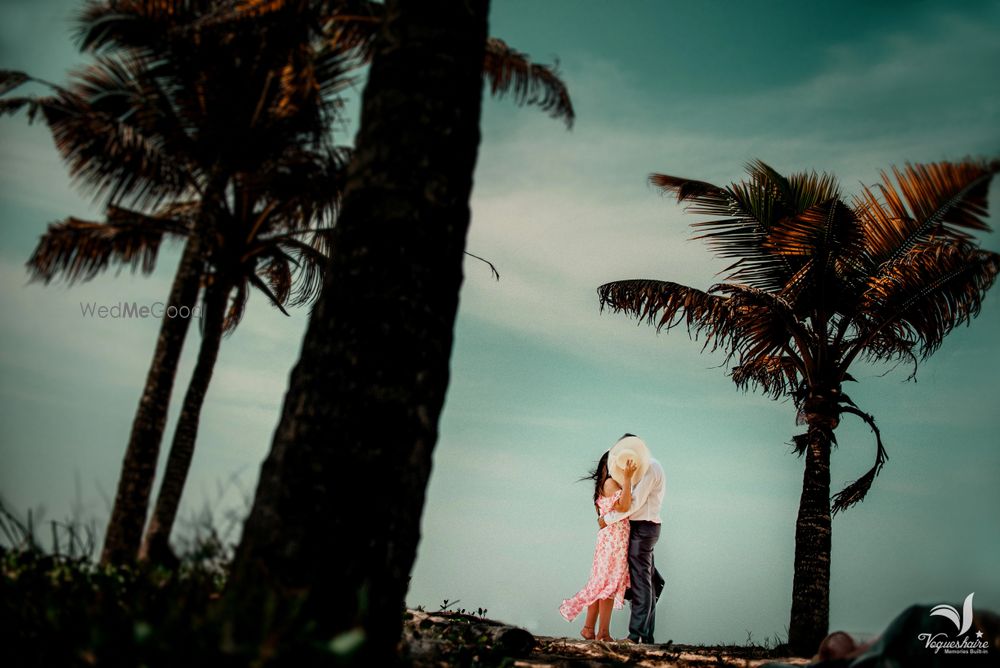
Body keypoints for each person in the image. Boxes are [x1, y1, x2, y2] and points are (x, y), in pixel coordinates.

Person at [559, 450, 638, 641]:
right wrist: (627, 480)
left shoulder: (604, 484)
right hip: (614, 541)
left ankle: (588, 628)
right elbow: (625, 505)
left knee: (600, 583)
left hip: (609, 539)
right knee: (607, 585)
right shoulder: (611, 483)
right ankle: (602, 633)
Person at [599, 434, 665, 644]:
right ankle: (646, 636)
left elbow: (634, 504)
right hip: (642, 527)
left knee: (640, 582)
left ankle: (635, 635)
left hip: (644, 528)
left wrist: (607, 519)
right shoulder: (641, 469)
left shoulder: (650, 468)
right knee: (647, 582)